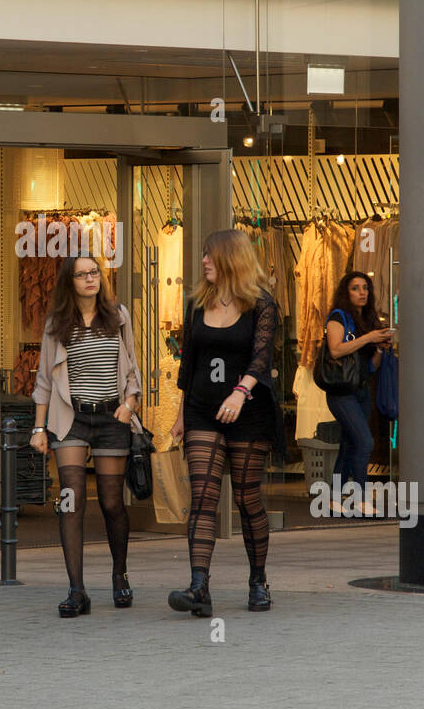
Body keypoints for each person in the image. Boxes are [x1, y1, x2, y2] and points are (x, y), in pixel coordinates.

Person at [168, 229, 284, 617]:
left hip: (248, 412)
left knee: (247, 499)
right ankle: (199, 587)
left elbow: (261, 358)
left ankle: (258, 580)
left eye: (210, 256)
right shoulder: (197, 303)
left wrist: (241, 392)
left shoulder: (262, 305)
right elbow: (190, 362)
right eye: (203, 255)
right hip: (202, 409)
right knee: (202, 499)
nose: (203, 262)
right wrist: (181, 413)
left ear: (232, 260)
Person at [31, 254, 142, 617]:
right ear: (70, 282)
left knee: (112, 503)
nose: (90, 279)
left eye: (94, 272)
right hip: (71, 419)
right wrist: (38, 427)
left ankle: (119, 574)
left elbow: (131, 368)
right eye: (82, 275)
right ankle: (76, 590)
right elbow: (45, 380)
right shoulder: (57, 324)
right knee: (71, 500)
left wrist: (130, 404)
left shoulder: (118, 316)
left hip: (112, 416)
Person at [323, 271, 393, 516]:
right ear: (346, 292)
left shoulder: (368, 320)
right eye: (355, 288)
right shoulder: (338, 317)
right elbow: (335, 350)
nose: (362, 292)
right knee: (365, 441)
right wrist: (368, 338)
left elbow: (369, 367)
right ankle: (360, 498)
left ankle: (332, 498)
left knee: (350, 443)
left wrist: (380, 348)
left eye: (365, 287)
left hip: (361, 390)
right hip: (341, 392)